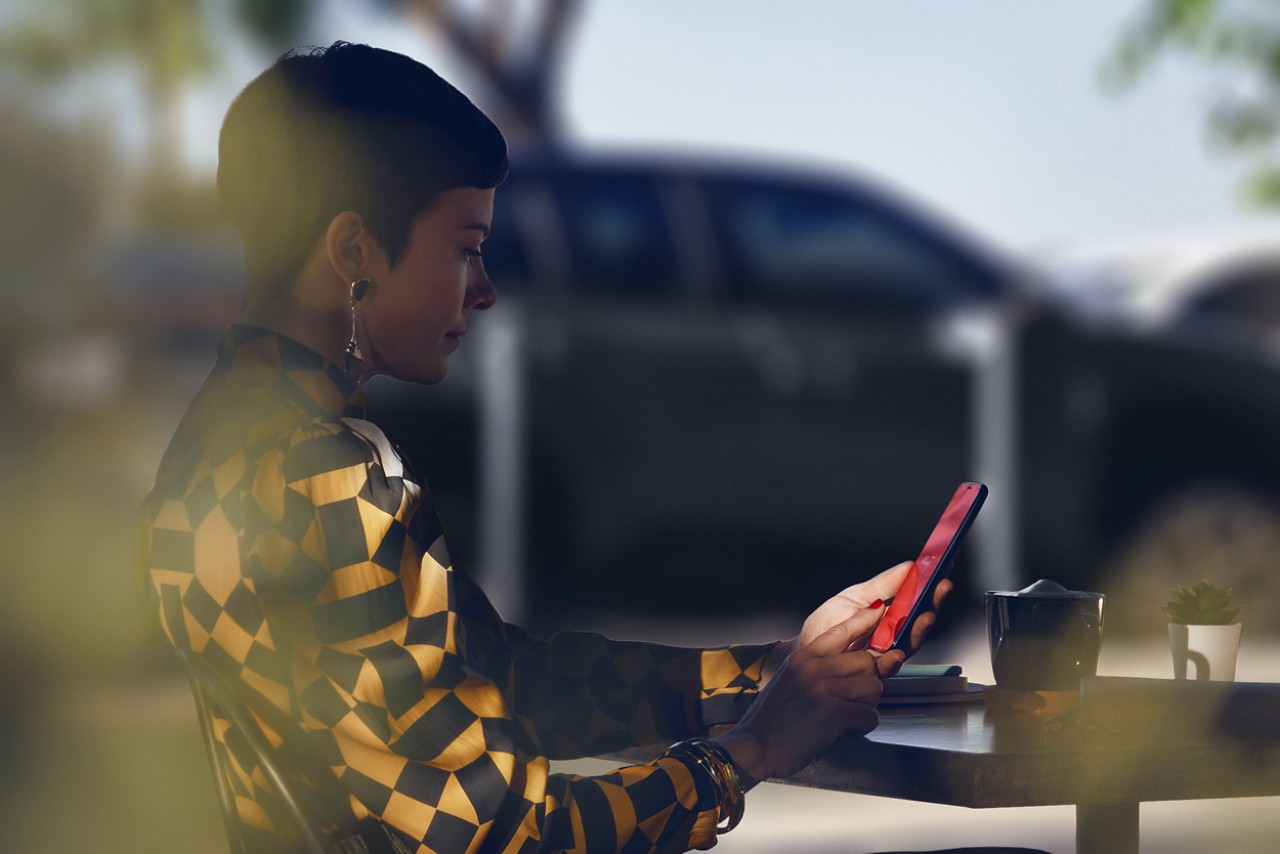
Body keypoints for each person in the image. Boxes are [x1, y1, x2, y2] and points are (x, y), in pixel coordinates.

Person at [134, 41, 948, 854]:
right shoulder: (321, 482)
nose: (484, 289)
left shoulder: (222, 444)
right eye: (464, 246)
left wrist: (778, 672)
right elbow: (509, 835)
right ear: (353, 252)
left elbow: (500, 681)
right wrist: (750, 754)